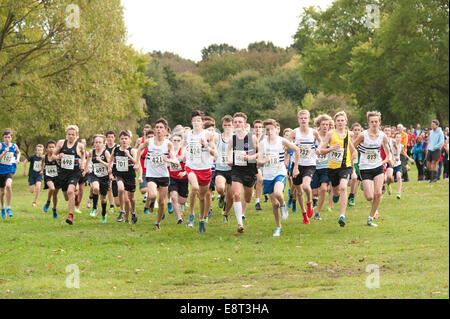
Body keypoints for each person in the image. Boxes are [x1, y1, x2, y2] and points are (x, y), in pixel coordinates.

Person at [258, 119, 299, 237]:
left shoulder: (282, 141)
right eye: (267, 129)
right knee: (274, 203)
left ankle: (283, 205)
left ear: (276, 129)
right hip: (267, 175)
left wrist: (295, 167)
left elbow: (297, 150)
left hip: (280, 172)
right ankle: (278, 227)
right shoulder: (262, 144)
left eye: (272, 129)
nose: (269, 131)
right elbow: (258, 162)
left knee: (278, 193)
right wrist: (264, 160)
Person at [352, 111, 392, 227]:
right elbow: (352, 146)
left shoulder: (383, 136)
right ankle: (364, 185)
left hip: (378, 167)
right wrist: (353, 155)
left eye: (376, 121)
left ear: (379, 122)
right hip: (365, 168)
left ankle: (371, 217)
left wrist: (389, 158)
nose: (374, 124)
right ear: (368, 123)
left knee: (378, 193)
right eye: (372, 122)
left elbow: (387, 150)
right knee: (369, 196)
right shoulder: (362, 135)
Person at [138, 118, 177, 230]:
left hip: (164, 176)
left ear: (165, 130)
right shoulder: (149, 142)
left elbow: (174, 159)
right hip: (151, 174)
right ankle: (151, 202)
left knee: (161, 201)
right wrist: (137, 162)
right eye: (157, 127)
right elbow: (140, 148)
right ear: (154, 130)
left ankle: (157, 222)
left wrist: (170, 160)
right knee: (153, 195)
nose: (158, 130)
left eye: (161, 128)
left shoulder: (168, 144)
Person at [318, 111, 355, 227]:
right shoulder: (330, 134)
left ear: (346, 122)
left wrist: (352, 158)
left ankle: (342, 216)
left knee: (343, 187)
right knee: (336, 190)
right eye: (338, 120)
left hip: (345, 166)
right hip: (332, 168)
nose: (340, 122)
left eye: (342, 120)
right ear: (334, 122)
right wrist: (331, 148)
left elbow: (353, 150)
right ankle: (335, 195)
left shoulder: (349, 134)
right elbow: (321, 150)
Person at [288, 110, 322, 225]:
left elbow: (321, 142)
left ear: (308, 119)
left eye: (305, 118)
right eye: (301, 118)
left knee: (306, 186)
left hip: (310, 163)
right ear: (298, 120)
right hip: (296, 165)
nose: (303, 120)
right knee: (299, 192)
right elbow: (286, 147)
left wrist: (318, 149)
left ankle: (309, 203)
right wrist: (294, 145)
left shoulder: (313, 132)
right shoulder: (294, 132)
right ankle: (304, 214)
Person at [185, 110, 216, 233]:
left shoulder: (208, 134)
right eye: (194, 120)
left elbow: (214, 153)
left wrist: (205, 145)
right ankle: (191, 214)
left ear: (203, 122)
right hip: (191, 167)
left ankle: (202, 220)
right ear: (191, 122)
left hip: (205, 168)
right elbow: (185, 149)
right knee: (195, 188)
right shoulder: (188, 134)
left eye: (198, 120)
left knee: (202, 197)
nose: (196, 122)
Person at [227, 112, 258, 233]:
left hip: (250, 171)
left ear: (244, 123)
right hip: (237, 170)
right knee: (236, 195)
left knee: (248, 198)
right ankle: (240, 223)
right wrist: (229, 159)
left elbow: (258, 153)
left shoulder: (252, 137)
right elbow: (229, 150)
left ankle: (251, 193)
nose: (237, 124)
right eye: (235, 122)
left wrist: (249, 158)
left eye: (240, 122)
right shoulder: (232, 138)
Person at [51, 125, 86, 225]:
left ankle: (70, 216)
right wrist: (58, 156)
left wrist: (82, 163)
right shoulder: (61, 143)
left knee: (70, 191)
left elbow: (83, 154)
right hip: (63, 173)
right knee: (67, 197)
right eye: (69, 134)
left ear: (76, 136)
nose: (71, 136)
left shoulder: (80, 146)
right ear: (66, 135)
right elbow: (52, 155)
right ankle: (74, 196)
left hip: (74, 173)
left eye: (73, 135)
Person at [110, 130, 138, 224]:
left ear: (130, 140)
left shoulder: (132, 150)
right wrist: (110, 170)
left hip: (130, 176)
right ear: (119, 140)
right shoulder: (116, 149)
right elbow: (110, 159)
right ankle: (122, 211)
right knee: (121, 189)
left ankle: (133, 212)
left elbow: (136, 163)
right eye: (122, 139)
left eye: (126, 139)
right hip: (119, 174)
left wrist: (129, 155)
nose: (124, 140)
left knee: (131, 198)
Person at [311, 114, 332, 220]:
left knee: (324, 189)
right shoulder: (314, 136)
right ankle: (311, 202)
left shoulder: (331, 136)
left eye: (327, 124)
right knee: (314, 192)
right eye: (323, 124)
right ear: (319, 125)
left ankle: (317, 212)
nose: (325, 126)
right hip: (314, 167)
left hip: (326, 167)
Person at [85, 135, 111, 223]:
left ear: (104, 144)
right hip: (95, 175)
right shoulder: (91, 152)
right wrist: (86, 168)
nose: (98, 144)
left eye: (100, 142)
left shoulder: (106, 153)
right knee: (95, 188)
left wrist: (101, 161)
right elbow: (88, 159)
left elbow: (110, 165)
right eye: (96, 142)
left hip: (104, 177)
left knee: (103, 199)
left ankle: (103, 214)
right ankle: (94, 208)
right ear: (94, 144)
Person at [214, 115, 234, 223]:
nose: (227, 127)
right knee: (220, 188)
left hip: (232, 170)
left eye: (229, 125)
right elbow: (214, 147)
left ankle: (225, 214)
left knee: (231, 196)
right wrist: (217, 155)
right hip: (220, 168)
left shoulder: (236, 138)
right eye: (225, 125)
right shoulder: (218, 137)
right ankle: (221, 196)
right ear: (222, 125)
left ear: (233, 126)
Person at [167, 132, 188, 224]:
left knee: (182, 200)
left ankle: (181, 207)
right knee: (174, 197)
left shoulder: (184, 152)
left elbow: (190, 165)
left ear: (181, 141)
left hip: (183, 178)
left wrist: (184, 173)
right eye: (174, 140)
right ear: (171, 141)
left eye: (178, 140)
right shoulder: (167, 151)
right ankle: (179, 218)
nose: (176, 142)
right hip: (171, 177)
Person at [0, 128, 21, 218]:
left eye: (9, 137)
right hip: (1, 171)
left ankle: (9, 207)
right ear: (3, 137)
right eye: (5, 137)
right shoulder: (1, 146)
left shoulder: (14, 146)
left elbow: (19, 152)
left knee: (8, 185)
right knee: (2, 192)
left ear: (11, 137)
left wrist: (18, 159)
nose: (7, 139)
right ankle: (2, 208)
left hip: (10, 169)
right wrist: (4, 153)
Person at [386, 133, 414, 199]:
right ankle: (388, 185)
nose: (398, 139)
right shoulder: (391, 145)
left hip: (398, 164)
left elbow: (403, 152)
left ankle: (399, 193)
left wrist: (409, 158)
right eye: (397, 137)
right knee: (389, 178)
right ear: (394, 138)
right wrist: (392, 158)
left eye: (400, 137)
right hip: (391, 163)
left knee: (399, 177)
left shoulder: (401, 146)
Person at [42, 140, 60, 219]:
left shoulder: (56, 157)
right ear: (46, 148)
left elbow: (60, 165)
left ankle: (54, 209)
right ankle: (48, 201)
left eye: (53, 147)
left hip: (57, 177)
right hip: (48, 176)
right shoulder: (44, 157)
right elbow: (43, 164)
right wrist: (42, 170)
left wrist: (57, 159)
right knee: (52, 188)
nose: (51, 149)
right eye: (49, 147)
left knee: (55, 195)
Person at [105, 130, 120, 214]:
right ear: (106, 138)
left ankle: (120, 203)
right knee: (109, 187)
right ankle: (111, 206)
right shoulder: (104, 147)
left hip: (117, 169)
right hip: (108, 169)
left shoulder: (117, 147)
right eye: (108, 137)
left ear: (114, 138)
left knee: (118, 187)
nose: (110, 139)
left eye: (112, 137)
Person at [348, 122, 362, 207]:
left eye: (358, 130)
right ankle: (351, 195)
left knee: (357, 180)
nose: (357, 132)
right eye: (355, 130)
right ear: (352, 131)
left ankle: (352, 197)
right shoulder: (350, 140)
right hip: (350, 162)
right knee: (353, 179)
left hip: (360, 163)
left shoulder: (363, 140)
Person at [253, 120, 264, 211]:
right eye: (256, 127)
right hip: (250, 163)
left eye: (260, 127)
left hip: (262, 163)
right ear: (253, 129)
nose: (258, 129)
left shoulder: (265, 139)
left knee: (260, 180)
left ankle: (257, 201)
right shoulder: (250, 138)